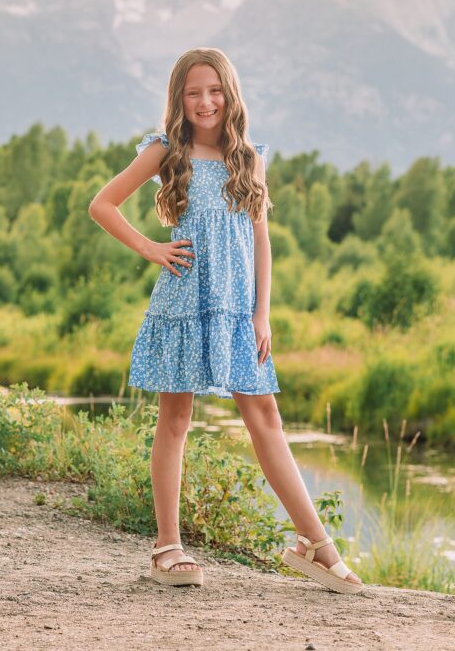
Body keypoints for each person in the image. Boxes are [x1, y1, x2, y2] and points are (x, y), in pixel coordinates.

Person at [88, 47, 363, 595]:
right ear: (179, 99)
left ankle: (314, 544)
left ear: (229, 94)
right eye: (193, 92)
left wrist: (263, 314)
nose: (205, 101)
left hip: (239, 310)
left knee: (265, 415)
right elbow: (102, 204)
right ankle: (167, 545)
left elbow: (261, 240)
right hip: (184, 301)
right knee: (176, 418)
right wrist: (152, 249)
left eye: (214, 90)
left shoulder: (249, 159)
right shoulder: (166, 151)